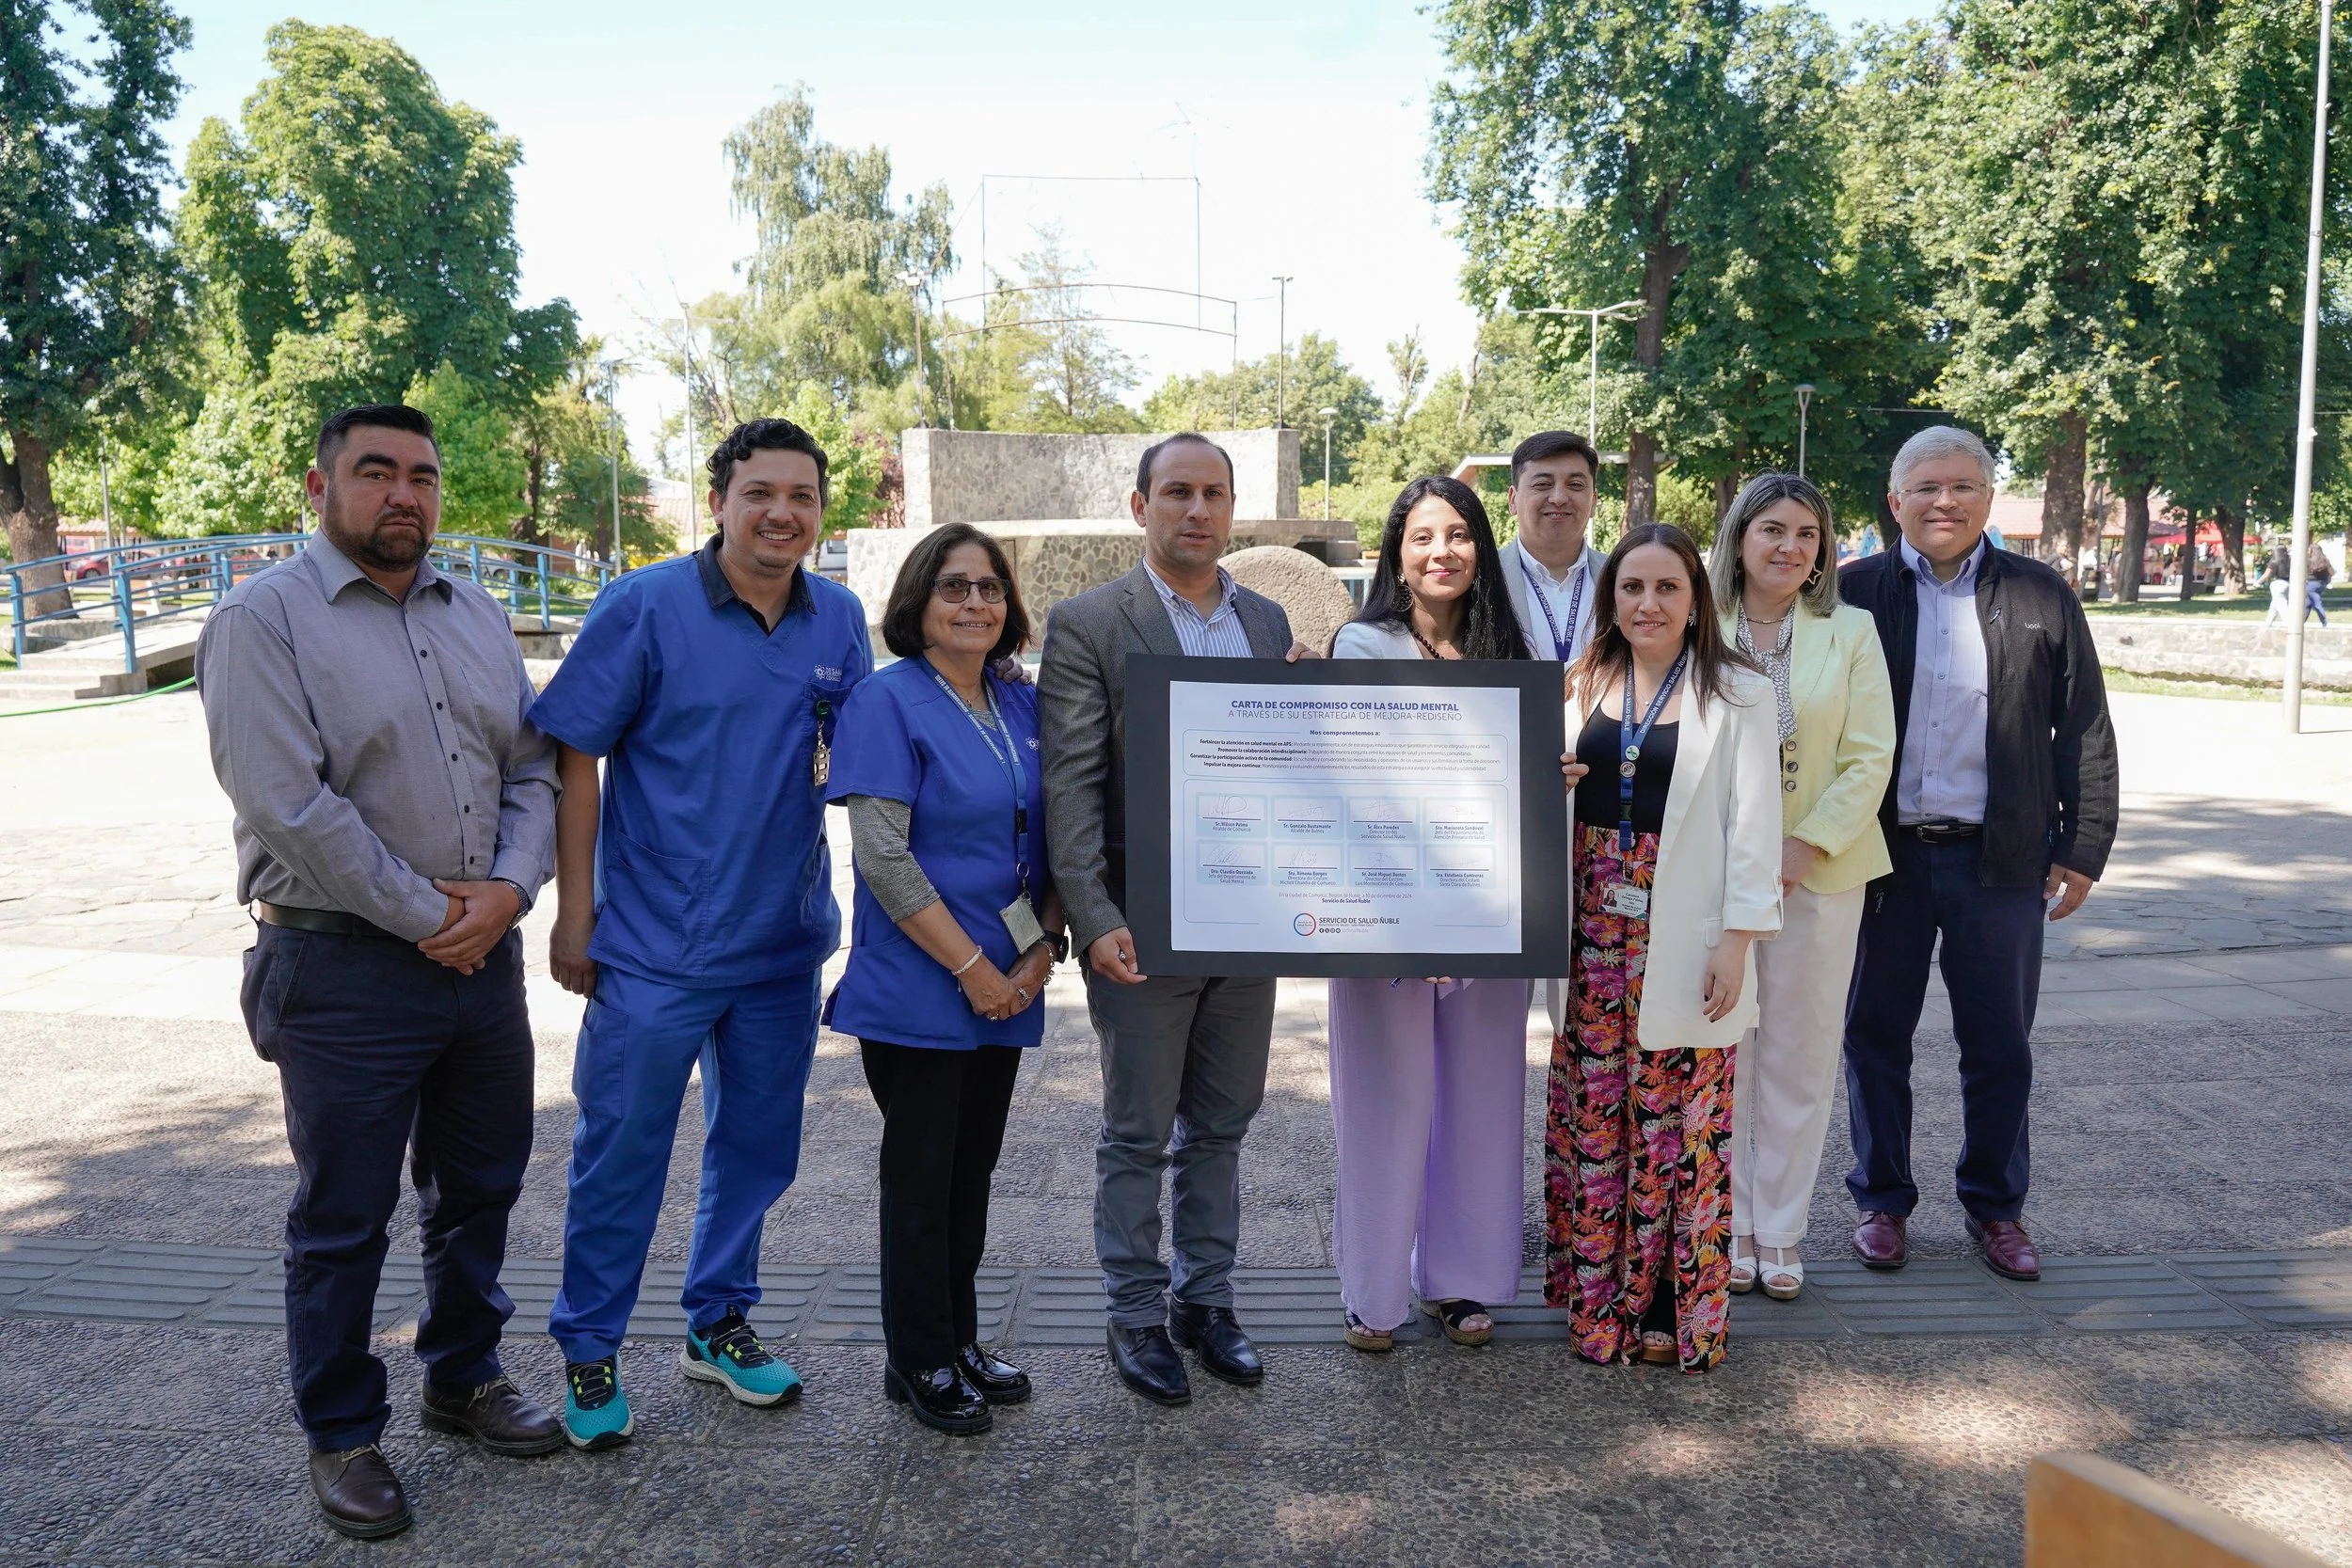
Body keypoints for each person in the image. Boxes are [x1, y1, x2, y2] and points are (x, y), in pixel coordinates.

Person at [197, 404, 563, 1539]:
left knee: (481, 1184)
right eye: (375, 472)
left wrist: (506, 893)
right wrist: (426, 917)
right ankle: (344, 1431)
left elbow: (534, 770)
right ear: (319, 488)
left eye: (423, 474)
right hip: (341, 962)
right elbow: (287, 805)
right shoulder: (261, 621)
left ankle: (460, 1377)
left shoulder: (477, 615)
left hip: (479, 958)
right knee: (344, 1212)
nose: (403, 493)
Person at [531, 418, 874, 1449]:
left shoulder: (839, 618)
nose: (781, 513)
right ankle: (590, 1347)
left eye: (802, 496)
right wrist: (575, 912)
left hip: (780, 940)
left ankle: (716, 1319)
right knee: (621, 1149)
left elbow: (873, 750)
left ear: (821, 510)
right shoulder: (645, 604)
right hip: (652, 946)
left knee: (758, 1147)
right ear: (719, 497)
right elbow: (576, 754)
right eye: (759, 491)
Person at [1039, 431, 1314, 1406]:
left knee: (1223, 1125)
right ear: (1139, 504)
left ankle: (1208, 1300)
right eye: (1177, 492)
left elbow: (1290, 767)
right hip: (1142, 925)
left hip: (1249, 917)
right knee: (1135, 1130)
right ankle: (1135, 1310)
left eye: (1213, 494)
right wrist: (1093, 911)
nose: (1197, 510)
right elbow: (1069, 784)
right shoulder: (1089, 621)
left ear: (1233, 509)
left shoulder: (1268, 616)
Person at [1839, 426, 2119, 1282]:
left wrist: (2084, 846)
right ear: (1896, 502)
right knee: (1873, 1034)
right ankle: (1882, 1200)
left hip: (2001, 859)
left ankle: (1996, 1208)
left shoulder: (2040, 594)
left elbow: (2085, 727)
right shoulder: (1850, 594)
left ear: (1990, 500)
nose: (1944, 501)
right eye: (1925, 487)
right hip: (1880, 859)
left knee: (1999, 1042)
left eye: (1963, 486)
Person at [824, 524, 1068, 1435]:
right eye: (954, 587)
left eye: (991, 588)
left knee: (973, 1174)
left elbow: (1051, 826)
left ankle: (957, 1338)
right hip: (924, 981)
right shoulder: (884, 701)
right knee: (922, 1177)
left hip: (1010, 975)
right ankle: (916, 1354)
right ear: (918, 602)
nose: (976, 604)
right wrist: (971, 967)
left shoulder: (1018, 701)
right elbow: (883, 855)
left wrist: (1043, 944)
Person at [1544, 522, 1781, 1373]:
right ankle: (1598, 1303)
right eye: (1631, 587)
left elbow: (1756, 829)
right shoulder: (1579, 684)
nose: (1648, 603)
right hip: (1593, 929)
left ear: (1695, 600)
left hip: (1687, 930)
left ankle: (1671, 1305)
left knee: (1682, 1125)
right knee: (1600, 1117)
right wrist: (1551, 779)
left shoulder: (1741, 694)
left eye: (1667, 588)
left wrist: (1739, 943)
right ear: (1611, 597)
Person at [1324, 476, 1534, 1353]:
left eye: (1457, 534)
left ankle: (1462, 1282)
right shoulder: (1360, 645)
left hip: (1492, 911)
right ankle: (1373, 1290)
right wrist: (1416, 919)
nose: (1441, 550)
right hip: (1383, 915)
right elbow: (1350, 783)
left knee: (1482, 1097)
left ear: (1481, 547)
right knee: (1384, 1096)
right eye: (1422, 536)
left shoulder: (1511, 656)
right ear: (1397, 553)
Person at [1705, 475, 1896, 1301]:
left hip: (1820, 873)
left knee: (1801, 1052)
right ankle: (1725, 1223)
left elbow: (1870, 754)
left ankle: (1777, 1228)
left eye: (1808, 535)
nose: (1789, 548)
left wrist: (1804, 842)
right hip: (1711, 875)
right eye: (1772, 530)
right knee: (1722, 1050)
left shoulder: (1850, 630)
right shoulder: (1696, 622)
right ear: (1741, 536)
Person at [1499, 430, 1603, 663]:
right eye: (1543, 484)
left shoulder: (1620, 577)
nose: (1558, 498)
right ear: (1513, 500)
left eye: (1575, 485)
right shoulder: (1482, 577)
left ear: (1593, 502)